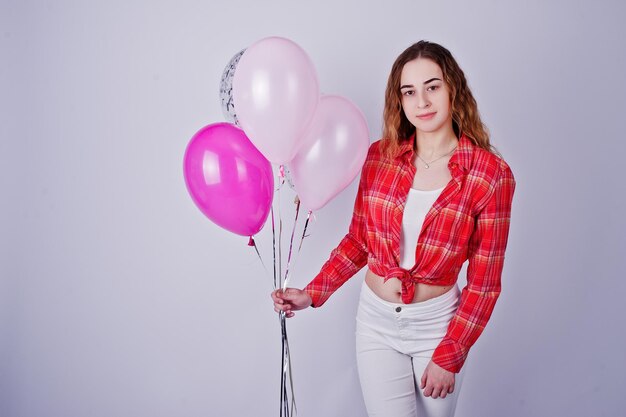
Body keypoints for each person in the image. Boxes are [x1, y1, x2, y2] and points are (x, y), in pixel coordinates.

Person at [271, 40, 516, 417]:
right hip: (376, 323)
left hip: (437, 328)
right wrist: (311, 293)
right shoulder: (379, 158)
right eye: (409, 91)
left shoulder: (490, 175)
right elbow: (359, 241)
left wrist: (450, 354)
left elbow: (484, 284)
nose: (422, 101)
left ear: (454, 89)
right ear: (399, 100)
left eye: (432, 86)